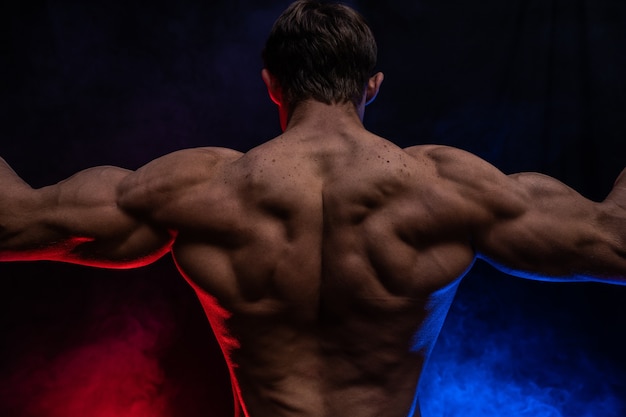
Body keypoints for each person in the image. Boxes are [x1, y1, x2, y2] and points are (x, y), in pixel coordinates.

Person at [1, 1, 625, 416]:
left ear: (272, 82)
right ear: (372, 85)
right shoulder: (451, 188)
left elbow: (14, 221)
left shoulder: (197, 188)